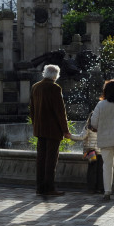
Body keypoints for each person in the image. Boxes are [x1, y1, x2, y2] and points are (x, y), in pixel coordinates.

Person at [29, 64, 72, 197]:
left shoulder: (35, 86)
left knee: (41, 159)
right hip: (53, 129)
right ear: (55, 75)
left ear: (45, 73)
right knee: (51, 160)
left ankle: (40, 188)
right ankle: (49, 188)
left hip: (40, 129)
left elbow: (32, 109)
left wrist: (35, 125)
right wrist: (65, 130)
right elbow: (60, 111)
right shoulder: (54, 88)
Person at [70, 111, 104, 193]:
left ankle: (91, 188)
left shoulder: (88, 127)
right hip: (101, 151)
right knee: (100, 170)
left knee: (92, 170)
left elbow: (82, 137)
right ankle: (100, 188)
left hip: (91, 151)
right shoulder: (103, 127)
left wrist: (70, 136)